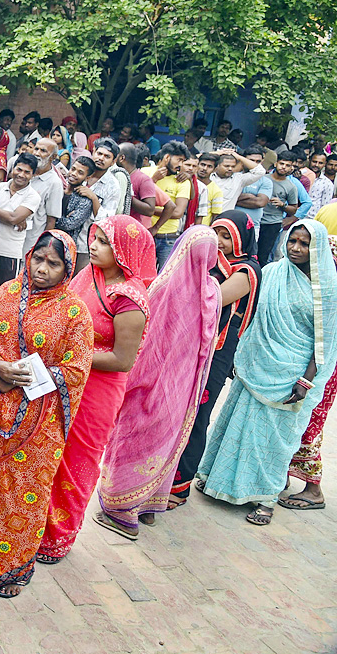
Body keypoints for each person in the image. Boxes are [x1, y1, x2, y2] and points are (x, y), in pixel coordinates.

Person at [0, 230, 93, 598]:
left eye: (53, 264)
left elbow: (77, 370)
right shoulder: (6, 294)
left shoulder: (76, 312)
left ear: (68, 268)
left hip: (40, 422)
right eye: (38, 259)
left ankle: (13, 568)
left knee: (23, 492)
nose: (42, 269)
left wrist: (23, 376)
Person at [196, 219, 337, 525]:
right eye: (292, 241)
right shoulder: (272, 273)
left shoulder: (327, 290)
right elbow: (252, 316)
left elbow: (326, 341)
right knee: (238, 423)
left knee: (274, 439)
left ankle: (266, 498)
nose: (295, 248)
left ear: (317, 248)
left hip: (293, 373)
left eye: (303, 243)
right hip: (257, 361)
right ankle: (218, 481)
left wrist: (306, 380)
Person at [37, 216, 154, 562]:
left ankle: (58, 538)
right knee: (49, 452)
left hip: (97, 388)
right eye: (96, 238)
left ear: (125, 250)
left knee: (78, 460)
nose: (95, 246)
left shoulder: (130, 298)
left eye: (105, 242)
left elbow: (121, 359)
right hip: (64, 378)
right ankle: (33, 525)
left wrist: (70, 357)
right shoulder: (90, 274)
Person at [92, 225, 220, 539]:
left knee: (134, 440)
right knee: (162, 444)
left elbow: (147, 345)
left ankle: (120, 512)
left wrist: (130, 381)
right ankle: (147, 506)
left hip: (151, 382)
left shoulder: (163, 288)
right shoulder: (212, 290)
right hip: (181, 389)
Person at [170, 211, 262, 506]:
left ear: (242, 239)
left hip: (218, 352)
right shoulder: (212, 263)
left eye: (227, 236)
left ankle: (180, 485)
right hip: (193, 345)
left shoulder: (247, 270)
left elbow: (213, 299)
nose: (219, 243)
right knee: (177, 410)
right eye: (216, 234)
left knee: (197, 415)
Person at [282, 204, 337, 510]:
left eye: (304, 244)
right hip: (312, 353)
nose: (297, 248)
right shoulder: (324, 235)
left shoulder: (328, 272)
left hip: (325, 359)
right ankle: (283, 476)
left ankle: (313, 488)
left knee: (310, 420)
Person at [0, 152, 42, 284]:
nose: (21, 174)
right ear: (12, 169)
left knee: (6, 293)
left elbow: (12, 218)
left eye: (27, 172)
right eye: (19, 169)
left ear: (33, 175)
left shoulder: (33, 196)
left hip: (10, 251)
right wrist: (11, 217)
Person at [55, 156, 101, 272]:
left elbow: (69, 224)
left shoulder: (84, 199)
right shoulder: (58, 188)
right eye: (73, 169)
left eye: (80, 173)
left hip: (65, 246)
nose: (74, 174)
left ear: (88, 177)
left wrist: (52, 218)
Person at [24, 138, 66, 255]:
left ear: (53, 157)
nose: (37, 153)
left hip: (32, 241)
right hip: (12, 236)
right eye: (36, 149)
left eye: (43, 151)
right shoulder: (26, 172)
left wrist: (43, 247)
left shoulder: (54, 182)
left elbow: (51, 220)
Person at [305, 152, 334, 217]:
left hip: (312, 219)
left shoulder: (327, 183)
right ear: (309, 160)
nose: (316, 165)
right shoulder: (300, 176)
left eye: (320, 163)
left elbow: (325, 207)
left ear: (325, 164)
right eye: (314, 162)